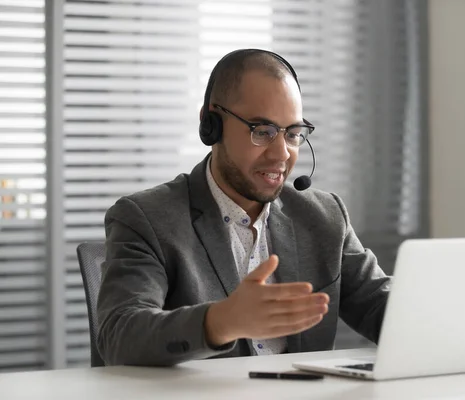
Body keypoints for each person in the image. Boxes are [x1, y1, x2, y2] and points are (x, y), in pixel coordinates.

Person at [96, 49, 391, 366]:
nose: (281, 154)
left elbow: (380, 306)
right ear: (212, 125)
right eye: (262, 132)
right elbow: (119, 334)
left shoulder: (324, 216)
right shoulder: (146, 218)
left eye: (292, 134)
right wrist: (220, 322)